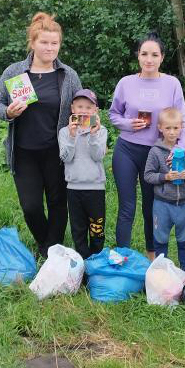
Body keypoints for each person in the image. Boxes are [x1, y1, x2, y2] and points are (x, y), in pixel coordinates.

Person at [0, 12, 82, 258]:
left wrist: (84, 124)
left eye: (54, 43)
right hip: (24, 152)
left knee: (57, 204)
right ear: (33, 43)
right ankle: (47, 244)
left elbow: (82, 106)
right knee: (30, 206)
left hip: (57, 151)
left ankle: (52, 251)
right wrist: (8, 112)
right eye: (44, 42)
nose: (49, 48)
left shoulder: (68, 75)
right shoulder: (15, 72)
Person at [109, 32, 185, 260]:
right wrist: (127, 123)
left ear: (162, 57)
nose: (149, 59)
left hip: (156, 154)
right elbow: (113, 114)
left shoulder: (172, 84)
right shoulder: (126, 83)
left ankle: (152, 257)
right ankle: (122, 256)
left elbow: (182, 120)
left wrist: (178, 149)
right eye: (144, 54)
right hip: (126, 149)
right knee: (127, 206)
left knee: (151, 207)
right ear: (138, 56)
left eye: (154, 54)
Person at [144, 108, 185, 271]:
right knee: (160, 239)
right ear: (160, 128)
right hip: (162, 204)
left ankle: (184, 270)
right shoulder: (155, 151)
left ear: (181, 127)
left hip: (182, 204)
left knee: (184, 239)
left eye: (175, 128)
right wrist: (165, 177)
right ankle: (162, 271)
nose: (172, 132)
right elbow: (148, 175)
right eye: (168, 128)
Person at [58, 89, 107, 259]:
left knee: (97, 229)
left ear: (95, 111)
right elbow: (66, 158)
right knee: (78, 230)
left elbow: (98, 156)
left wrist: (93, 135)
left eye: (88, 107)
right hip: (74, 188)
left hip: (95, 188)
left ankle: (97, 260)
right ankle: (82, 263)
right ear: (72, 109)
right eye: (79, 106)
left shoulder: (102, 131)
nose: (84, 111)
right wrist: (72, 136)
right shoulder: (64, 132)